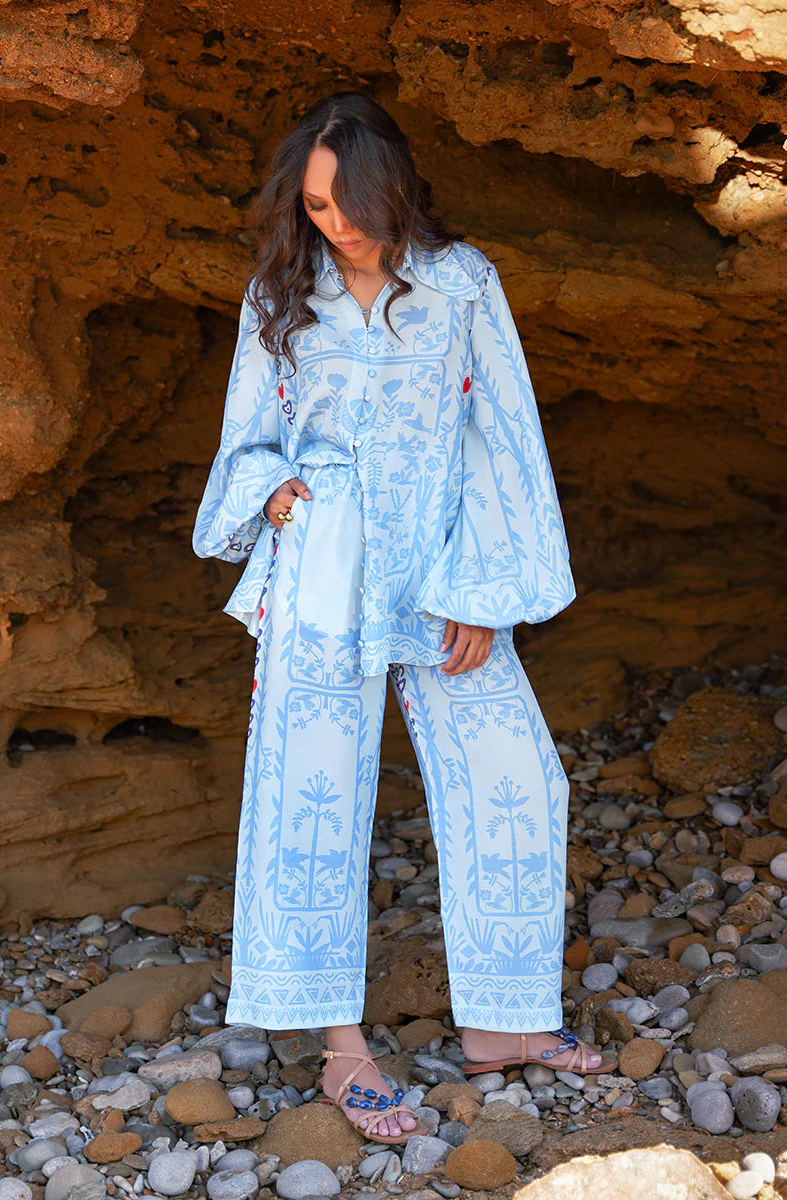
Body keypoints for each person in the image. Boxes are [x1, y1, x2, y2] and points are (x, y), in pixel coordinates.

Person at [192, 91, 607, 1147]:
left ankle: (503, 1023)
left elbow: (502, 436)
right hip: (322, 560)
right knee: (311, 792)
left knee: (515, 774)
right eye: (316, 206)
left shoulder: (462, 282)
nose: (336, 224)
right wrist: (272, 493)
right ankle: (343, 1050)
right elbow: (248, 436)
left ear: (395, 187)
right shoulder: (282, 292)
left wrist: (482, 590)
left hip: (442, 560)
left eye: (350, 202)